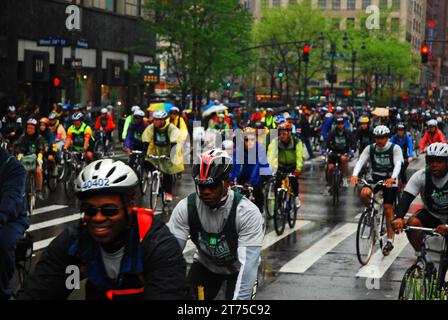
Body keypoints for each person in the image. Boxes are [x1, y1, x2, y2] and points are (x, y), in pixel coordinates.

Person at [18, 159, 187, 300]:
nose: (98, 218)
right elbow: (42, 290)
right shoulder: (75, 243)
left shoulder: (156, 244)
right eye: (89, 210)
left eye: (109, 210)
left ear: (129, 204)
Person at [168, 149, 263, 300]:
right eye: (201, 186)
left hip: (239, 269)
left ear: (228, 183)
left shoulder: (247, 212)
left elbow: (248, 268)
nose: (206, 192)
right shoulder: (186, 208)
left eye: (212, 187)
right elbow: (169, 257)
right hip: (206, 266)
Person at [392, 143, 448, 273]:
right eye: (431, 161)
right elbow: (406, 198)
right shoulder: (421, 176)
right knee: (411, 223)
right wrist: (399, 217)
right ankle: (425, 260)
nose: (434, 164)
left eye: (439, 161)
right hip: (432, 214)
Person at [351, 125, 404, 256]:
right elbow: (361, 161)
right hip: (374, 177)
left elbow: (398, 163)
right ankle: (371, 213)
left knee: (387, 208)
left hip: (389, 179)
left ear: (387, 138)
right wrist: (354, 175)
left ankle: (390, 240)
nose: (379, 140)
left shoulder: (395, 148)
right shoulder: (370, 148)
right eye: (377, 138)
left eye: (382, 138)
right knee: (364, 194)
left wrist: (392, 178)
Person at [0, 145, 28, 300]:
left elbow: (12, 199)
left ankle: (3, 292)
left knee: (3, 243)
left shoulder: (12, 166)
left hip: (12, 218)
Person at [141, 111, 184, 202]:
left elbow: (174, 141)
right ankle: (156, 175)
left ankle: (168, 193)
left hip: (168, 151)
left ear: (163, 120)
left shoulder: (171, 128)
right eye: (154, 120)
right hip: (156, 151)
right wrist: (144, 152)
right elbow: (146, 138)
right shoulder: (152, 127)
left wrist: (171, 154)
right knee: (145, 162)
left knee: (168, 172)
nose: (155, 122)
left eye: (157, 120)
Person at [230, 127, 271, 214]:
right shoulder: (239, 149)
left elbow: (258, 167)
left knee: (257, 189)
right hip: (247, 172)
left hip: (261, 172)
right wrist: (230, 179)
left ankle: (260, 212)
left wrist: (251, 182)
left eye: (252, 139)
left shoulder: (259, 148)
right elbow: (235, 165)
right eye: (246, 140)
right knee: (239, 191)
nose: (249, 142)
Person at [267, 122, 303, 208]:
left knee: (294, 182)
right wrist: (270, 168)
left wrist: (298, 169)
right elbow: (271, 155)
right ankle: (278, 202)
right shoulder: (276, 141)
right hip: (281, 166)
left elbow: (299, 156)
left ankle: (296, 197)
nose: (281, 135)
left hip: (292, 167)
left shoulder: (296, 141)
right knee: (277, 183)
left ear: (289, 133)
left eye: (284, 133)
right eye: (280, 133)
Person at [14, 118, 48, 200]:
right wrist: (19, 156)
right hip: (25, 159)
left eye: (32, 128)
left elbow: (41, 150)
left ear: (35, 129)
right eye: (28, 128)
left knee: (38, 172)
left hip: (36, 159)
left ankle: (39, 190)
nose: (30, 130)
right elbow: (18, 148)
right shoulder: (23, 137)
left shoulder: (39, 138)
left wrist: (40, 158)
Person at [325, 117, 354, 189]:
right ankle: (329, 183)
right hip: (334, 152)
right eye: (338, 124)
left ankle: (344, 179)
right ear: (336, 124)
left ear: (344, 124)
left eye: (341, 124)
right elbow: (327, 142)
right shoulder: (332, 132)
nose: (340, 125)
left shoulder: (348, 132)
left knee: (344, 159)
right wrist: (325, 149)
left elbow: (353, 142)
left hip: (344, 151)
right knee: (330, 168)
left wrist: (352, 150)